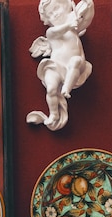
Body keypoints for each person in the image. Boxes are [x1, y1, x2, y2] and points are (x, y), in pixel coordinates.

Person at [26, 0, 94, 131]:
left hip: (74, 68)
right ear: (47, 20)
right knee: (51, 89)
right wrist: (69, 24)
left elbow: (87, 18)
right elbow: (58, 31)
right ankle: (53, 114)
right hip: (55, 66)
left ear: (67, 7)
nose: (55, 14)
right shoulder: (51, 32)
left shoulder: (74, 28)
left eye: (56, 9)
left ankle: (66, 89)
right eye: (50, 14)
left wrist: (88, 5)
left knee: (75, 60)